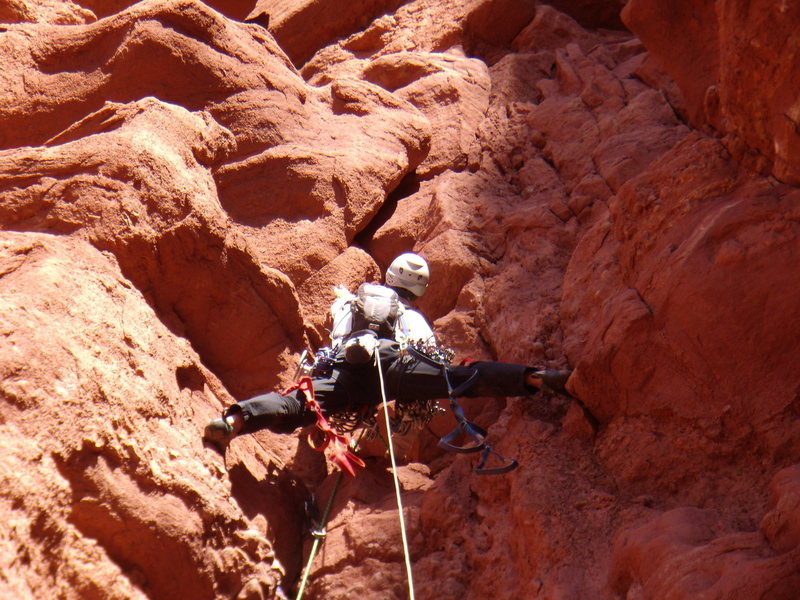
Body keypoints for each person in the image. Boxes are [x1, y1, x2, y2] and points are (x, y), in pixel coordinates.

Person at [203, 252, 572, 451]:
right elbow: (426, 351)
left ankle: (235, 421)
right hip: (396, 366)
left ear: (390, 277)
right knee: (462, 379)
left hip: (345, 368)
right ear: (419, 290)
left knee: (297, 405)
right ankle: (534, 378)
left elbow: (335, 337)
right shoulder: (410, 314)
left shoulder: (349, 302)